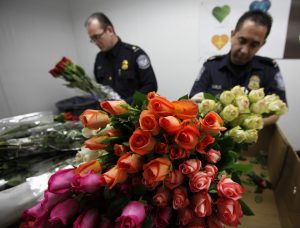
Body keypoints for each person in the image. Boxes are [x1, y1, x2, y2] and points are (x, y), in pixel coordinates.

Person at [189, 10, 287, 126]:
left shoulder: (269, 69)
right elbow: (193, 101)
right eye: (242, 40)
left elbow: (278, 108)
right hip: (213, 135)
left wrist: (249, 127)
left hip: (251, 139)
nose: (245, 50)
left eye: (254, 45)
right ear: (233, 34)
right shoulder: (211, 65)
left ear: (262, 44)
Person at [85, 12, 158, 104]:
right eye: (93, 39)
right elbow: (100, 89)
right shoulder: (99, 59)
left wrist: (124, 105)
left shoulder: (135, 54)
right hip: (111, 116)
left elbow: (151, 87)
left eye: (97, 37)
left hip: (134, 114)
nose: (96, 42)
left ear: (109, 30)